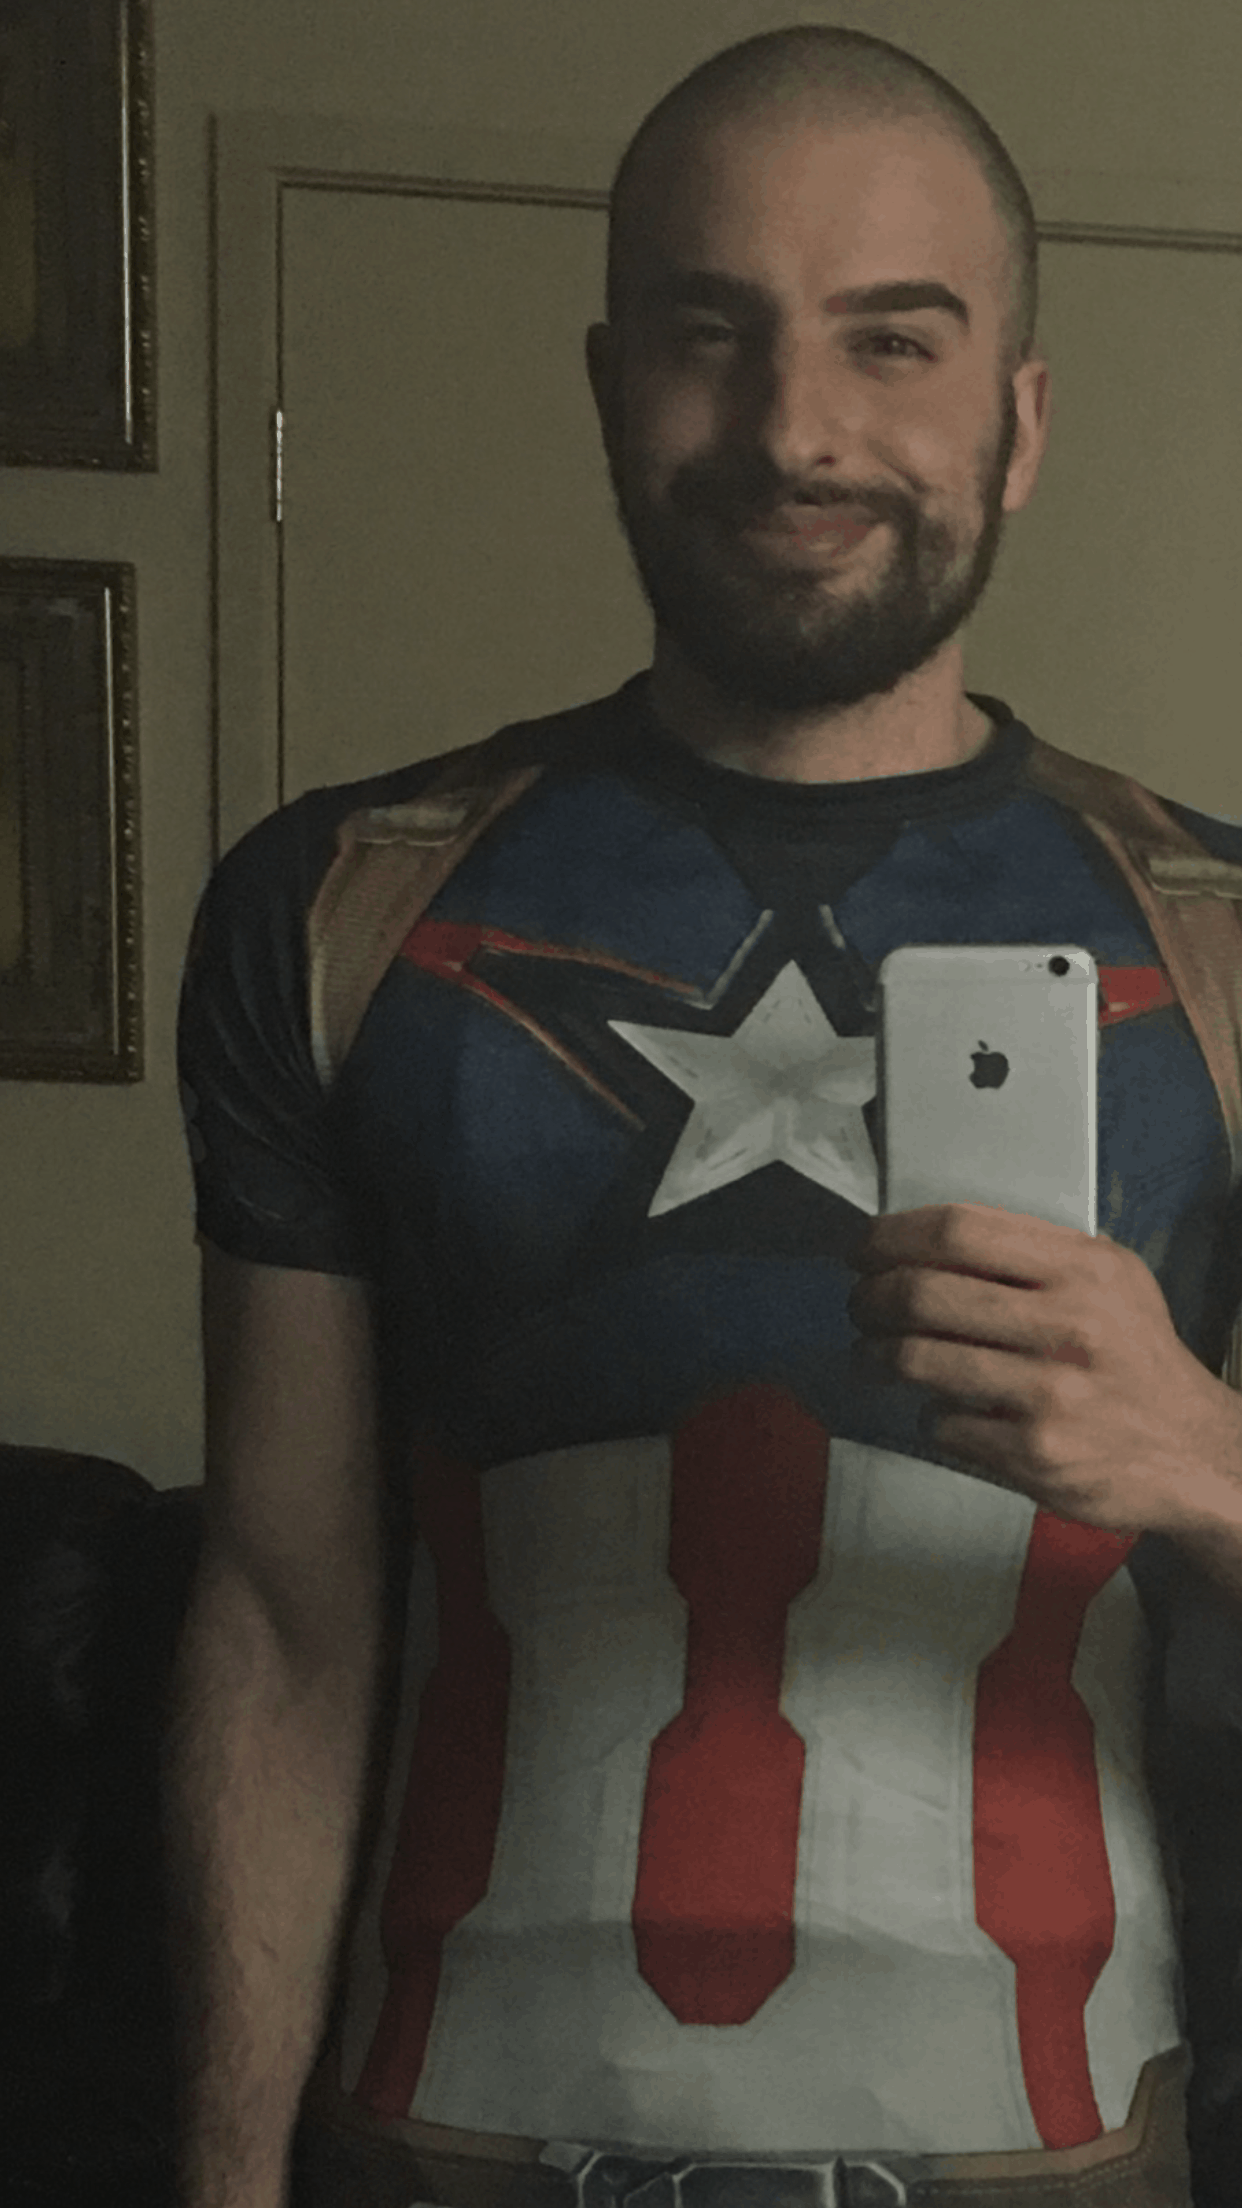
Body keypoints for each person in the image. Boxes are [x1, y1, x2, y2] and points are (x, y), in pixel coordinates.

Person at [168, 24, 1242, 2208]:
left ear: (1022, 419)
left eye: (892, 341)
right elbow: (282, 1616)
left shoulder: (1220, 943)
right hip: (446, 2140)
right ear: (606, 385)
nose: (793, 428)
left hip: (1062, 2149)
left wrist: (1214, 1469)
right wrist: (219, 2176)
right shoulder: (338, 906)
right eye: (707, 332)